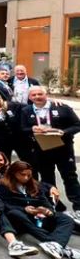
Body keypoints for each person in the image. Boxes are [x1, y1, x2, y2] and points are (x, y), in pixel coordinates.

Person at [20, 86, 80, 225]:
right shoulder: (26, 110)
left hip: (63, 148)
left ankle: (78, 207)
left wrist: (63, 132)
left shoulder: (62, 107)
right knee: (47, 179)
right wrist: (32, 129)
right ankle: (55, 206)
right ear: (30, 98)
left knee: (70, 177)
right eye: (33, 95)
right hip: (42, 149)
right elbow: (23, 129)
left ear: (46, 95)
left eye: (40, 94)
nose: (37, 97)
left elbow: (77, 124)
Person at [0, 161, 79, 259]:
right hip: (19, 219)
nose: (26, 178)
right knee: (15, 213)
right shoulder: (3, 184)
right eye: (23, 175)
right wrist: (25, 209)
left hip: (38, 217)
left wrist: (48, 211)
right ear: (13, 173)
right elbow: (5, 204)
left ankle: (56, 245)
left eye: (29, 175)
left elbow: (44, 201)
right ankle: (53, 242)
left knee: (66, 219)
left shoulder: (34, 185)